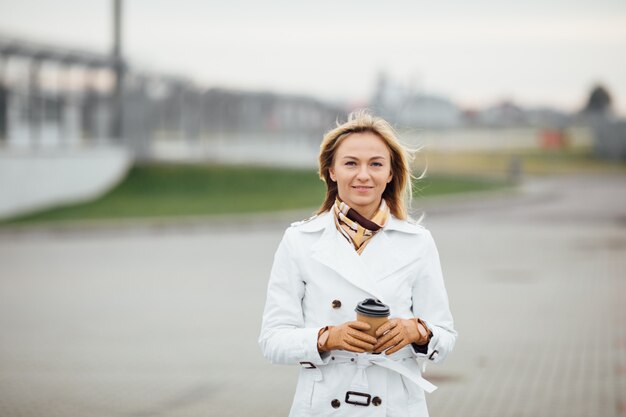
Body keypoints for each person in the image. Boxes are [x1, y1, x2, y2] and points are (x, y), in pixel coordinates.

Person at [258, 110, 457, 417]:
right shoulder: (299, 240)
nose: (363, 175)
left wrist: (416, 331)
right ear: (331, 171)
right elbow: (272, 340)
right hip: (325, 404)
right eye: (351, 163)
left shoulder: (418, 242)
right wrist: (327, 338)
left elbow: (445, 336)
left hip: (395, 404)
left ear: (390, 173)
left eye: (376, 164)